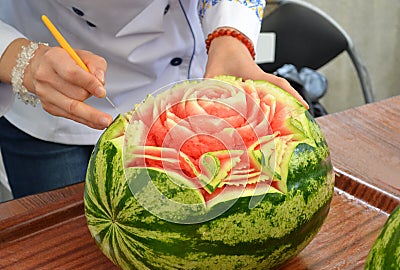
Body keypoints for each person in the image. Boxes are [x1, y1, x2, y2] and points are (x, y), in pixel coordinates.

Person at [0, 0, 304, 200]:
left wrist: (231, 38)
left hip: (181, 99)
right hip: (48, 98)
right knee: (63, 263)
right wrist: (20, 59)